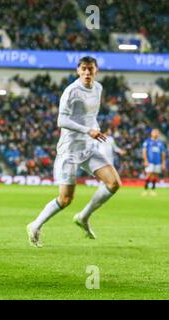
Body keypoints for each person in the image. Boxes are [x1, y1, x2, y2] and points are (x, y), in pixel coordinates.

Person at [27, 56, 121, 248]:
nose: (87, 72)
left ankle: (83, 217)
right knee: (66, 199)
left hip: (89, 147)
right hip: (69, 150)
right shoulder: (71, 91)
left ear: (96, 71)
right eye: (84, 69)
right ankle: (35, 225)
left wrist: (94, 129)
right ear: (78, 71)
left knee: (113, 183)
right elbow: (61, 121)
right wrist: (88, 130)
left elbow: (90, 115)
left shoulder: (98, 88)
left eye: (91, 69)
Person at [141, 128, 166, 196]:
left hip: (158, 162)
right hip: (150, 162)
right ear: (151, 133)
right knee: (149, 175)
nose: (156, 133)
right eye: (154, 132)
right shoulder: (147, 141)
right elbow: (144, 152)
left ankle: (153, 189)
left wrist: (163, 163)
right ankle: (145, 189)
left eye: (157, 132)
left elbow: (163, 154)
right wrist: (145, 160)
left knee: (155, 175)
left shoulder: (160, 143)